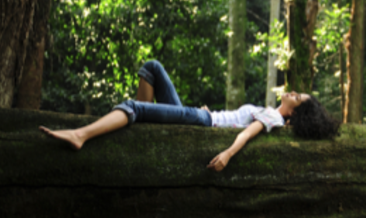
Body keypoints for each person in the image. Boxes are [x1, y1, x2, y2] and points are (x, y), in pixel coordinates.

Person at [39, 60, 340, 170]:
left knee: (135, 106)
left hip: (202, 122)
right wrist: (212, 114)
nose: (292, 92)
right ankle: (140, 129)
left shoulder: (274, 118)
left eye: (297, 97)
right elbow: (235, 120)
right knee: (152, 69)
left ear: (295, 112)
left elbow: (247, 133)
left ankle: (80, 135)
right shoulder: (271, 112)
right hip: (204, 118)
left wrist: (227, 154)